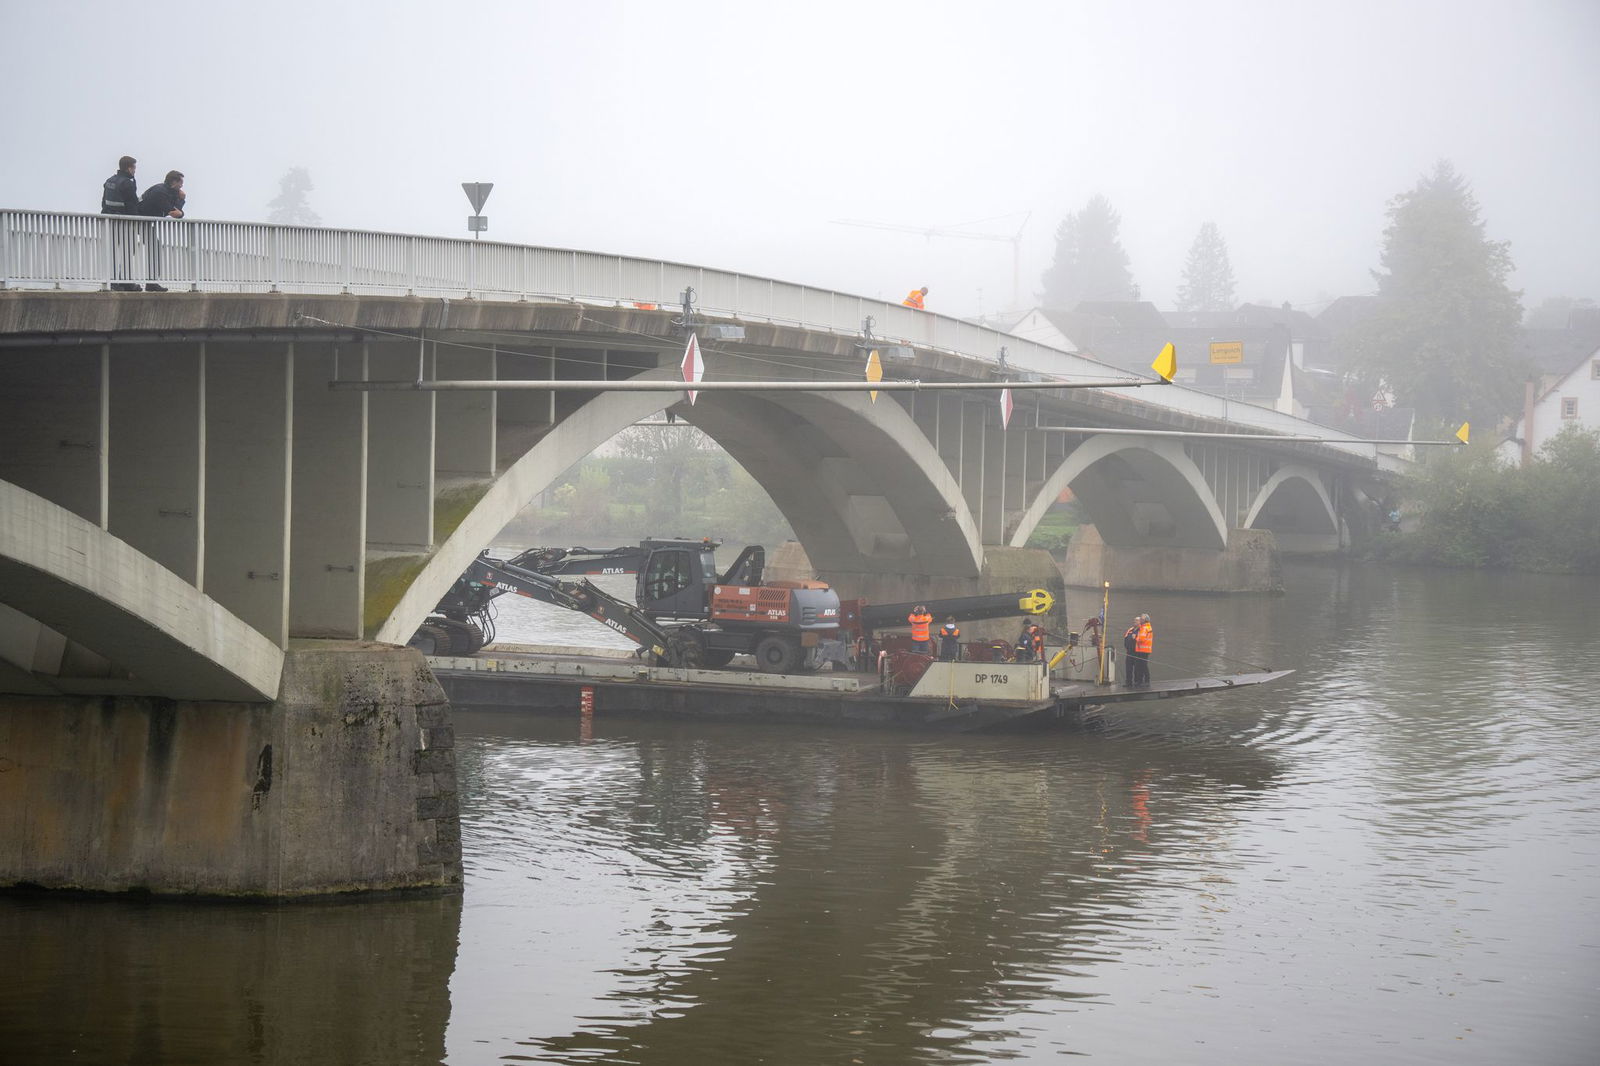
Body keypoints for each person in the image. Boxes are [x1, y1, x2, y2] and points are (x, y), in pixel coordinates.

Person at [137, 170, 185, 292]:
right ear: (174, 182)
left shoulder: (169, 191)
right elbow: (174, 212)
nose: (182, 186)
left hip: (143, 221)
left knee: (154, 247)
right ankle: (149, 283)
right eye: (181, 182)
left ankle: (151, 282)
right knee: (131, 249)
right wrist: (181, 202)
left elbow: (176, 210)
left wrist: (180, 202)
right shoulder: (160, 192)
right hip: (136, 221)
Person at [99, 155, 140, 291]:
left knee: (112, 252)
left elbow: (104, 202)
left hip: (109, 221)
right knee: (128, 251)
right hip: (125, 223)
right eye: (134, 168)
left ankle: (113, 281)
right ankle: (125, 281)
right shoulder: (127, 183)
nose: (135, 171)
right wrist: (136, 222)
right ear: (129, 168)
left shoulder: (110, 181)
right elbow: (132, 205)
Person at [1133, 613, 1154, 685]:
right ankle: (1141, 681)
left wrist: (1135, 637)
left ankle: (1146, 681)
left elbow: (1141, 639)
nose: (1140, 620)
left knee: (1143, 665)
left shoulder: (1145, 628)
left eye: (1141, 619)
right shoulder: (1145, 627)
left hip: (1143, 650)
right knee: (1141, 665)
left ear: (1145, 620)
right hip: (1142, 649)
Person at [1122, 618, 1139, 686]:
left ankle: (1137, 682)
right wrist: (1127, 646)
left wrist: (1136, 638)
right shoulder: (1130, 630)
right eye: (1134, 620)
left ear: (1140, 622)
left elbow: (1142, 640)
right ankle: (1128, 682)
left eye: (1136, 620)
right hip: (1129, 652)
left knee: (1137, 668)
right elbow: (1125, 638)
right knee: (1128, 668)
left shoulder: (1141, 630)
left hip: (1137, 652)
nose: (1134, 621)